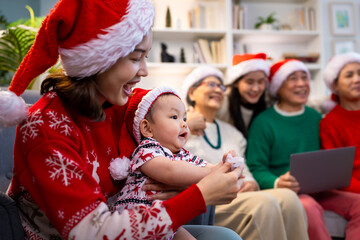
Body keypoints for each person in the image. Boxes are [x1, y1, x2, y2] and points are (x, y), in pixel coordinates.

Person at [0, 0, 243, 239]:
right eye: (136, 58)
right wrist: (199, 196)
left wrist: (213, 172)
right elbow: (93, 232)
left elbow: (167, 110)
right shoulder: (45, 127)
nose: (145, 71)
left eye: (145, 57)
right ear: (99, 59)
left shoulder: (126, 104)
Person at [183, 65, 309, 240]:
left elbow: (246, 170)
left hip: (238, 195)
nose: (218, 90)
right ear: (191, 93)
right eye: (211, 84)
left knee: (289, 197)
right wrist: (185, 123)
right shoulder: (179, 127)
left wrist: (251, 183)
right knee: (265, 203)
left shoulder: (233, 132)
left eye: (221, 86)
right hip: (208, 201)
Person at [246, 59, 360, 240]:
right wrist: (277, 182)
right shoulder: (264, 122)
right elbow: (255, 166)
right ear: (278, 87)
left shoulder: (315, 117)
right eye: (293, 78)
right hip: (287, 192)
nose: (301, 83)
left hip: (320, 190)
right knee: (308, 208)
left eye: (304, 77)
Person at [109, 86, 242, 239]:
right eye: (174, 117)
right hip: (139, 219)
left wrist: (224, 167)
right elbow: (170, 171)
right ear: (147, 128)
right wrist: (213, 172)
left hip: (166, 220)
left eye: (184, 118)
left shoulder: (182, 154)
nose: (184, 124)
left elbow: (202, 166)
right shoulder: (146, 150)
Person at [320, 52, 360, 193]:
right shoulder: (329, 124)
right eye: (349, 75)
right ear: (335, 85)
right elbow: (338, 174)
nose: (357, 79)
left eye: (359, 73)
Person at [216, 53, 270, 138]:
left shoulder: (269, 102)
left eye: (260, 82)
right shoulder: (222, 102)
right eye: (249, 82)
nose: (255, 89)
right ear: (236, 83)